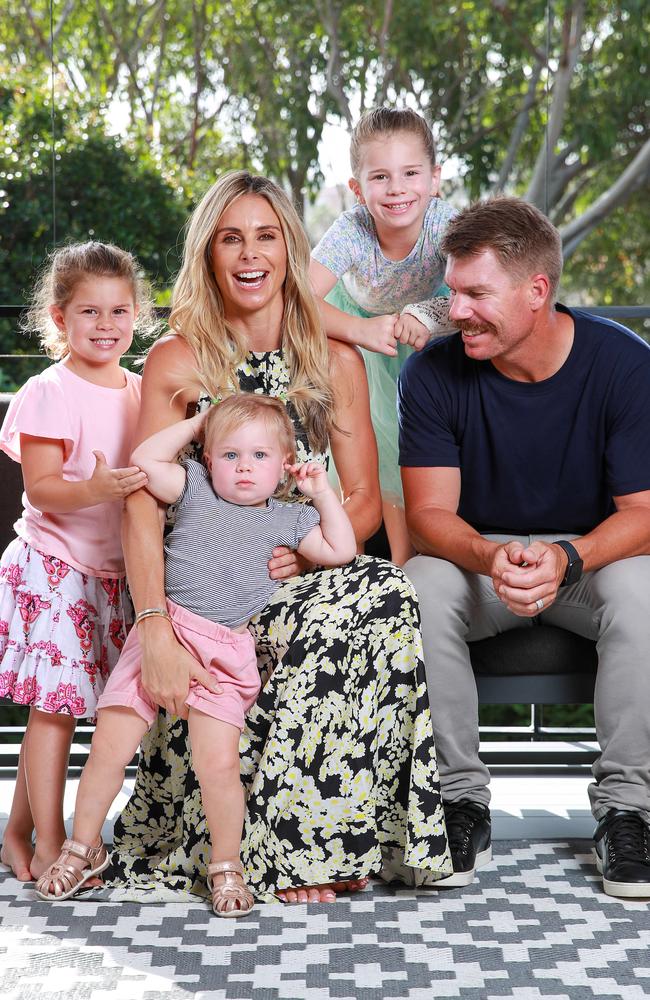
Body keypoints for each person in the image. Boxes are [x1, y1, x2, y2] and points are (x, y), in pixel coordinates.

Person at [105, 169, 452, 905]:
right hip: (210, 582)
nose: (249, 253)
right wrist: (155, 625)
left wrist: (303, 553)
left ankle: (342, 838)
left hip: (303, 557)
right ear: (209, 255)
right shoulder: (177, 358)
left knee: (387, 589)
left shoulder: (335, 359)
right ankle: (289, 852)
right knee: (333, 617)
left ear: (291, 251)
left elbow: (358, 498)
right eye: (231, 238)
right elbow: (140, 506)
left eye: (266, 236)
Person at [398, 196, 650, 898]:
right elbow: (428, 516)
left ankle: (629, 811)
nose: (456, 311)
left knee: (645, 591)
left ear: (536, 291)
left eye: (476, 293)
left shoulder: (626, 367)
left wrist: (568, 558)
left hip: (591, 556)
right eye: (452, 291)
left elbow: (644, 514)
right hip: (479, 555)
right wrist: (488, 558)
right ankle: (458, 802)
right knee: (417, 584)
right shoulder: (433, 374)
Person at [35, 393, 356, 914]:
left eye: (259, 457)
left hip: (225, 650)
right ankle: (83, 847)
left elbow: (341, 550)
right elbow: (144, 462)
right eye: (230, 455)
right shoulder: (196, 488)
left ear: (282, 467)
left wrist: (321, 494)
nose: (244, 468)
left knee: (218, 766)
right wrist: (202, 422)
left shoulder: (288, 519)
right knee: (109, 748)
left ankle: (226, 867)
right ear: (208, 459)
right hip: (160, 631)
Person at [0, 242, 153, 883]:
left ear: (138, 314)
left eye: (119, 310)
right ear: (60, 319)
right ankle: (49, 841)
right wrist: (92, 490)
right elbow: (40, 489)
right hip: (56, 563)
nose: (106, 324)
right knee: (55, 710)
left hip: (115, 571)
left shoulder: (142, 389)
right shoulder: (49, 390)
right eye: (89, 311)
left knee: (64, 707)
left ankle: (14, 831)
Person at [310, 107, 457, 564]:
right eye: (380, 177)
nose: (396, 189)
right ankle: (365, 563)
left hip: (433, 332)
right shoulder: (351, 231)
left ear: (434, 178)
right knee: (377, 445)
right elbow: (296, 299)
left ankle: (415, 563)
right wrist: (359, 330)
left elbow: (477, 295)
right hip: (367, 336)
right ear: (357, 189)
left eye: (410, 173)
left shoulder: (446, 225)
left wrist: (426, 315)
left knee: (417, 448)